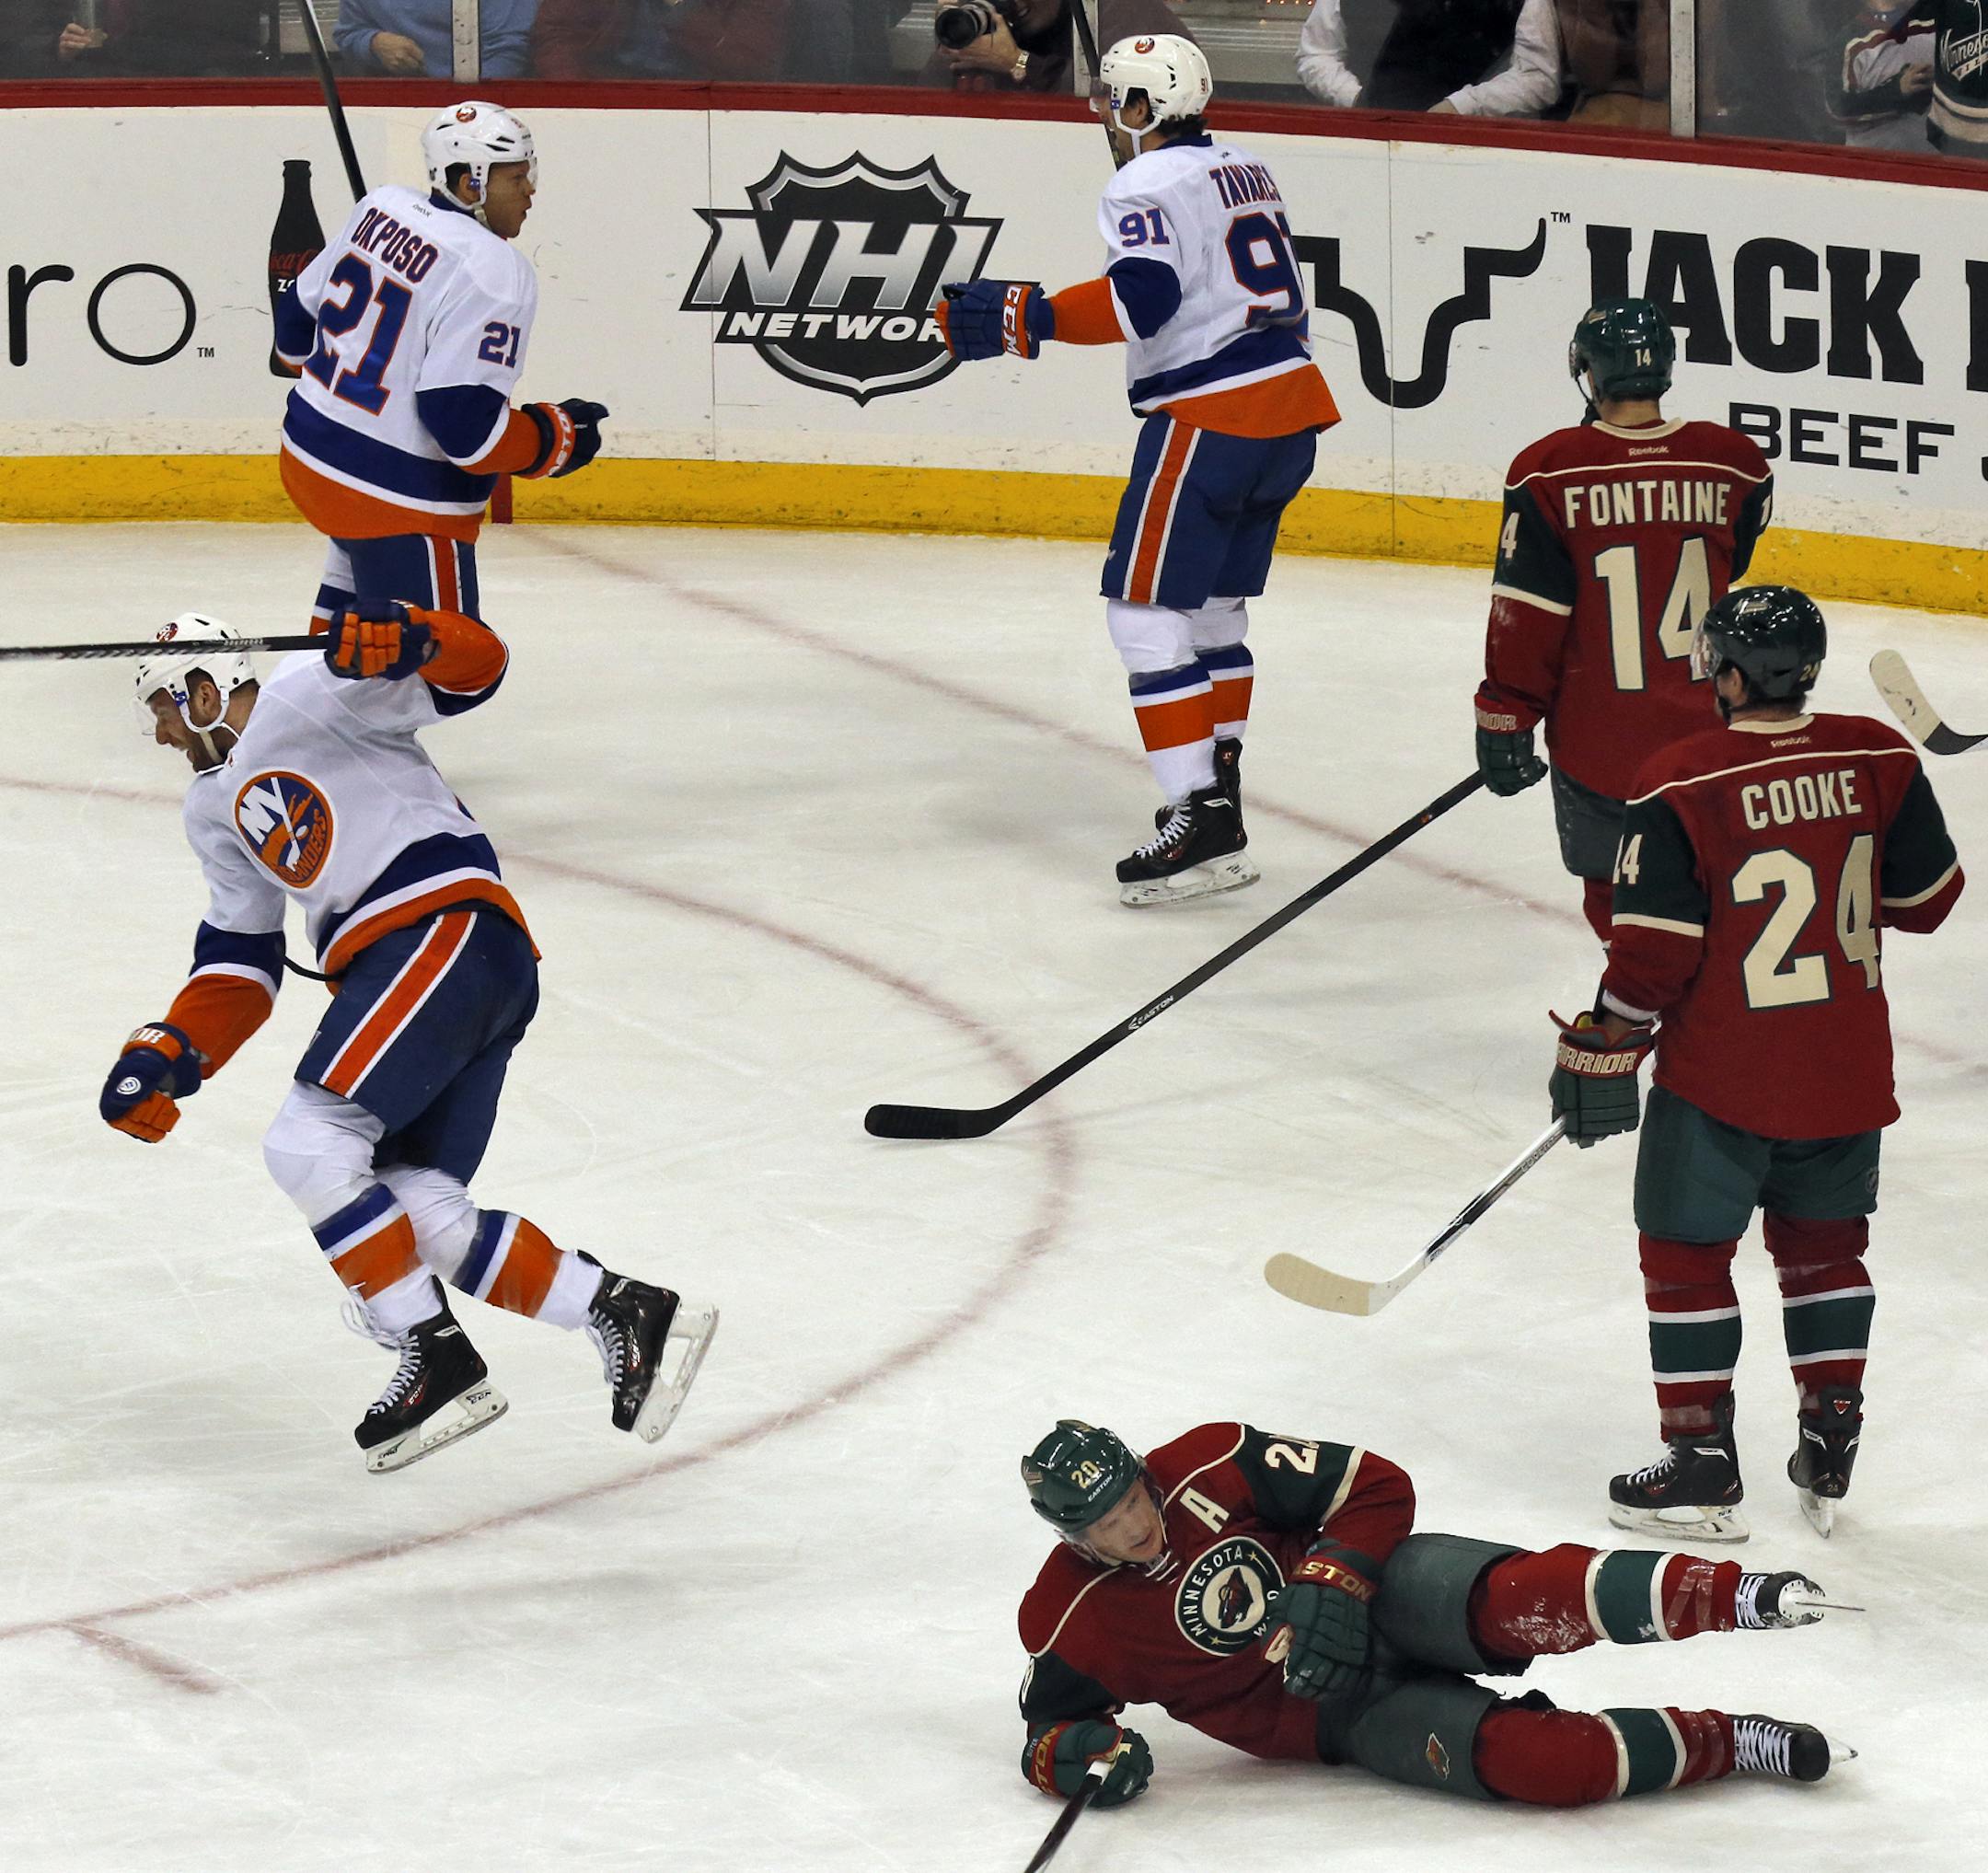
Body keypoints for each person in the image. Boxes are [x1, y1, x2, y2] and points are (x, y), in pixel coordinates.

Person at [102, 614, 719, 1472]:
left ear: (200, 689)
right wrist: (167, 1049)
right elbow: (242, 959)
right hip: (457, 959)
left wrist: (415, 634)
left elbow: (481, 668)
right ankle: (618, 1307)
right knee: (409, 1204)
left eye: (162, 712)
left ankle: (433, 1352)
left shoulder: (313, 690)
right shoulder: (213, 808)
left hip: (436, 931)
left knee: (306, 1145)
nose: (162, 734)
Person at [1546, 586, 1962, 1540]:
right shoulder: (1878, 754)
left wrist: (1605, 1039)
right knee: (1826, 1251)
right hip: (1846, 1071)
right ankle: (1831, 1439)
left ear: (1729, 675)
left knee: (1686, 1255)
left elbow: (1653, 957)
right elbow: (1932, 897)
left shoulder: (1678, 779)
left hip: (1723, 1076)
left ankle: (1699, 1464)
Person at [938, 35, 1340, 906]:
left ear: (1136, 108)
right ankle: (1221, 795)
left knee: (1145, 611)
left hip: (1212, 417)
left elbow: (1143, 299)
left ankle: (1196, 808)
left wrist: (1027, 317)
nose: (1106, 116)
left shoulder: (1140, 181)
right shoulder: (1247, 167)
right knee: (1216, 614)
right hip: (1293, 408)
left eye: (1113, 101)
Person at [1017, 1418, 1848, 1814]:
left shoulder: (1215, 1459)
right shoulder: (1066, 1619)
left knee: (1528, 1596)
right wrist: (1086, 1753)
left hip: (1382, 1594)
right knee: (1544, 1766)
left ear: (1139, 1472)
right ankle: (1736, 1739)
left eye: (1131, 1498)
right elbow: (1051, 1733)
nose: (1133, 1524)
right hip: (1337, 1718)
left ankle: (1737, 1592)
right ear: (1068, 1532)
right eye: (1103, 1522)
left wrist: (1332, 1578)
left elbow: (1377, 1484)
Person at [1474, 299, 1774, 945]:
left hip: (1602, 742)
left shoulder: (1548, 470)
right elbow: (1735, 559)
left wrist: (1506, 714)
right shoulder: (1735, 460)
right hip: (1712, 733)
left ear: (1589, 372)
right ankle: (1725, 1022)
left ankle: (1641, 1012)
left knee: (1625, 911)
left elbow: (1527, 617)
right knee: (1718, 888)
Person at [273, 101, 607, 631]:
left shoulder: (380, 206)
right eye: (516, 177)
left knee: (353, 644)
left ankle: (329, 651)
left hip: (304, 460)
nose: (530, 190)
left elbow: (293, 330)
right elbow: (465, 433)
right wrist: (553, 439)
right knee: (441, 675)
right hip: (391, 499)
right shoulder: (495, 270)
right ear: (469, 184)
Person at [1297, 0, 1563, 116]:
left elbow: (1537, 77)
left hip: (1475, 152)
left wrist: (1461, 107)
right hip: (1367, 145)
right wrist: (1354, 97)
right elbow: (1316, 54)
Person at [922, 0, 1190, 94]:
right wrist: (955, 42)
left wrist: (1018, 62)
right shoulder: (992, 16)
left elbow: (1107, 111)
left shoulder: (1119, 12)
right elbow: (923, 107)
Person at [531, 0, 793, 80]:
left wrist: (680, 7)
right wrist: (578, 100)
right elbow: (555, 35)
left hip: (707, 102)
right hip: (607, 93)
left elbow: (755, 64)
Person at [333, 0, 538, 80]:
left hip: (488, 102)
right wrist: (374, 43)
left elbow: (510, 50)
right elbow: (349, 33)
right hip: (398, 99)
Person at [51, 0, 264, 75]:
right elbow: (27, 42)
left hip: (187, 91)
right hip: (91, 93)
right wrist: (63, 52)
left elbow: (229, 42)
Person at [1833, 6, 1936, 151]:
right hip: (1872, 165)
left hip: (1938, 162)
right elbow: (1835, 110)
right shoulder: (1851, 40)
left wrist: (1943, 79)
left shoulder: (1942, 20)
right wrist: (1896, 90)